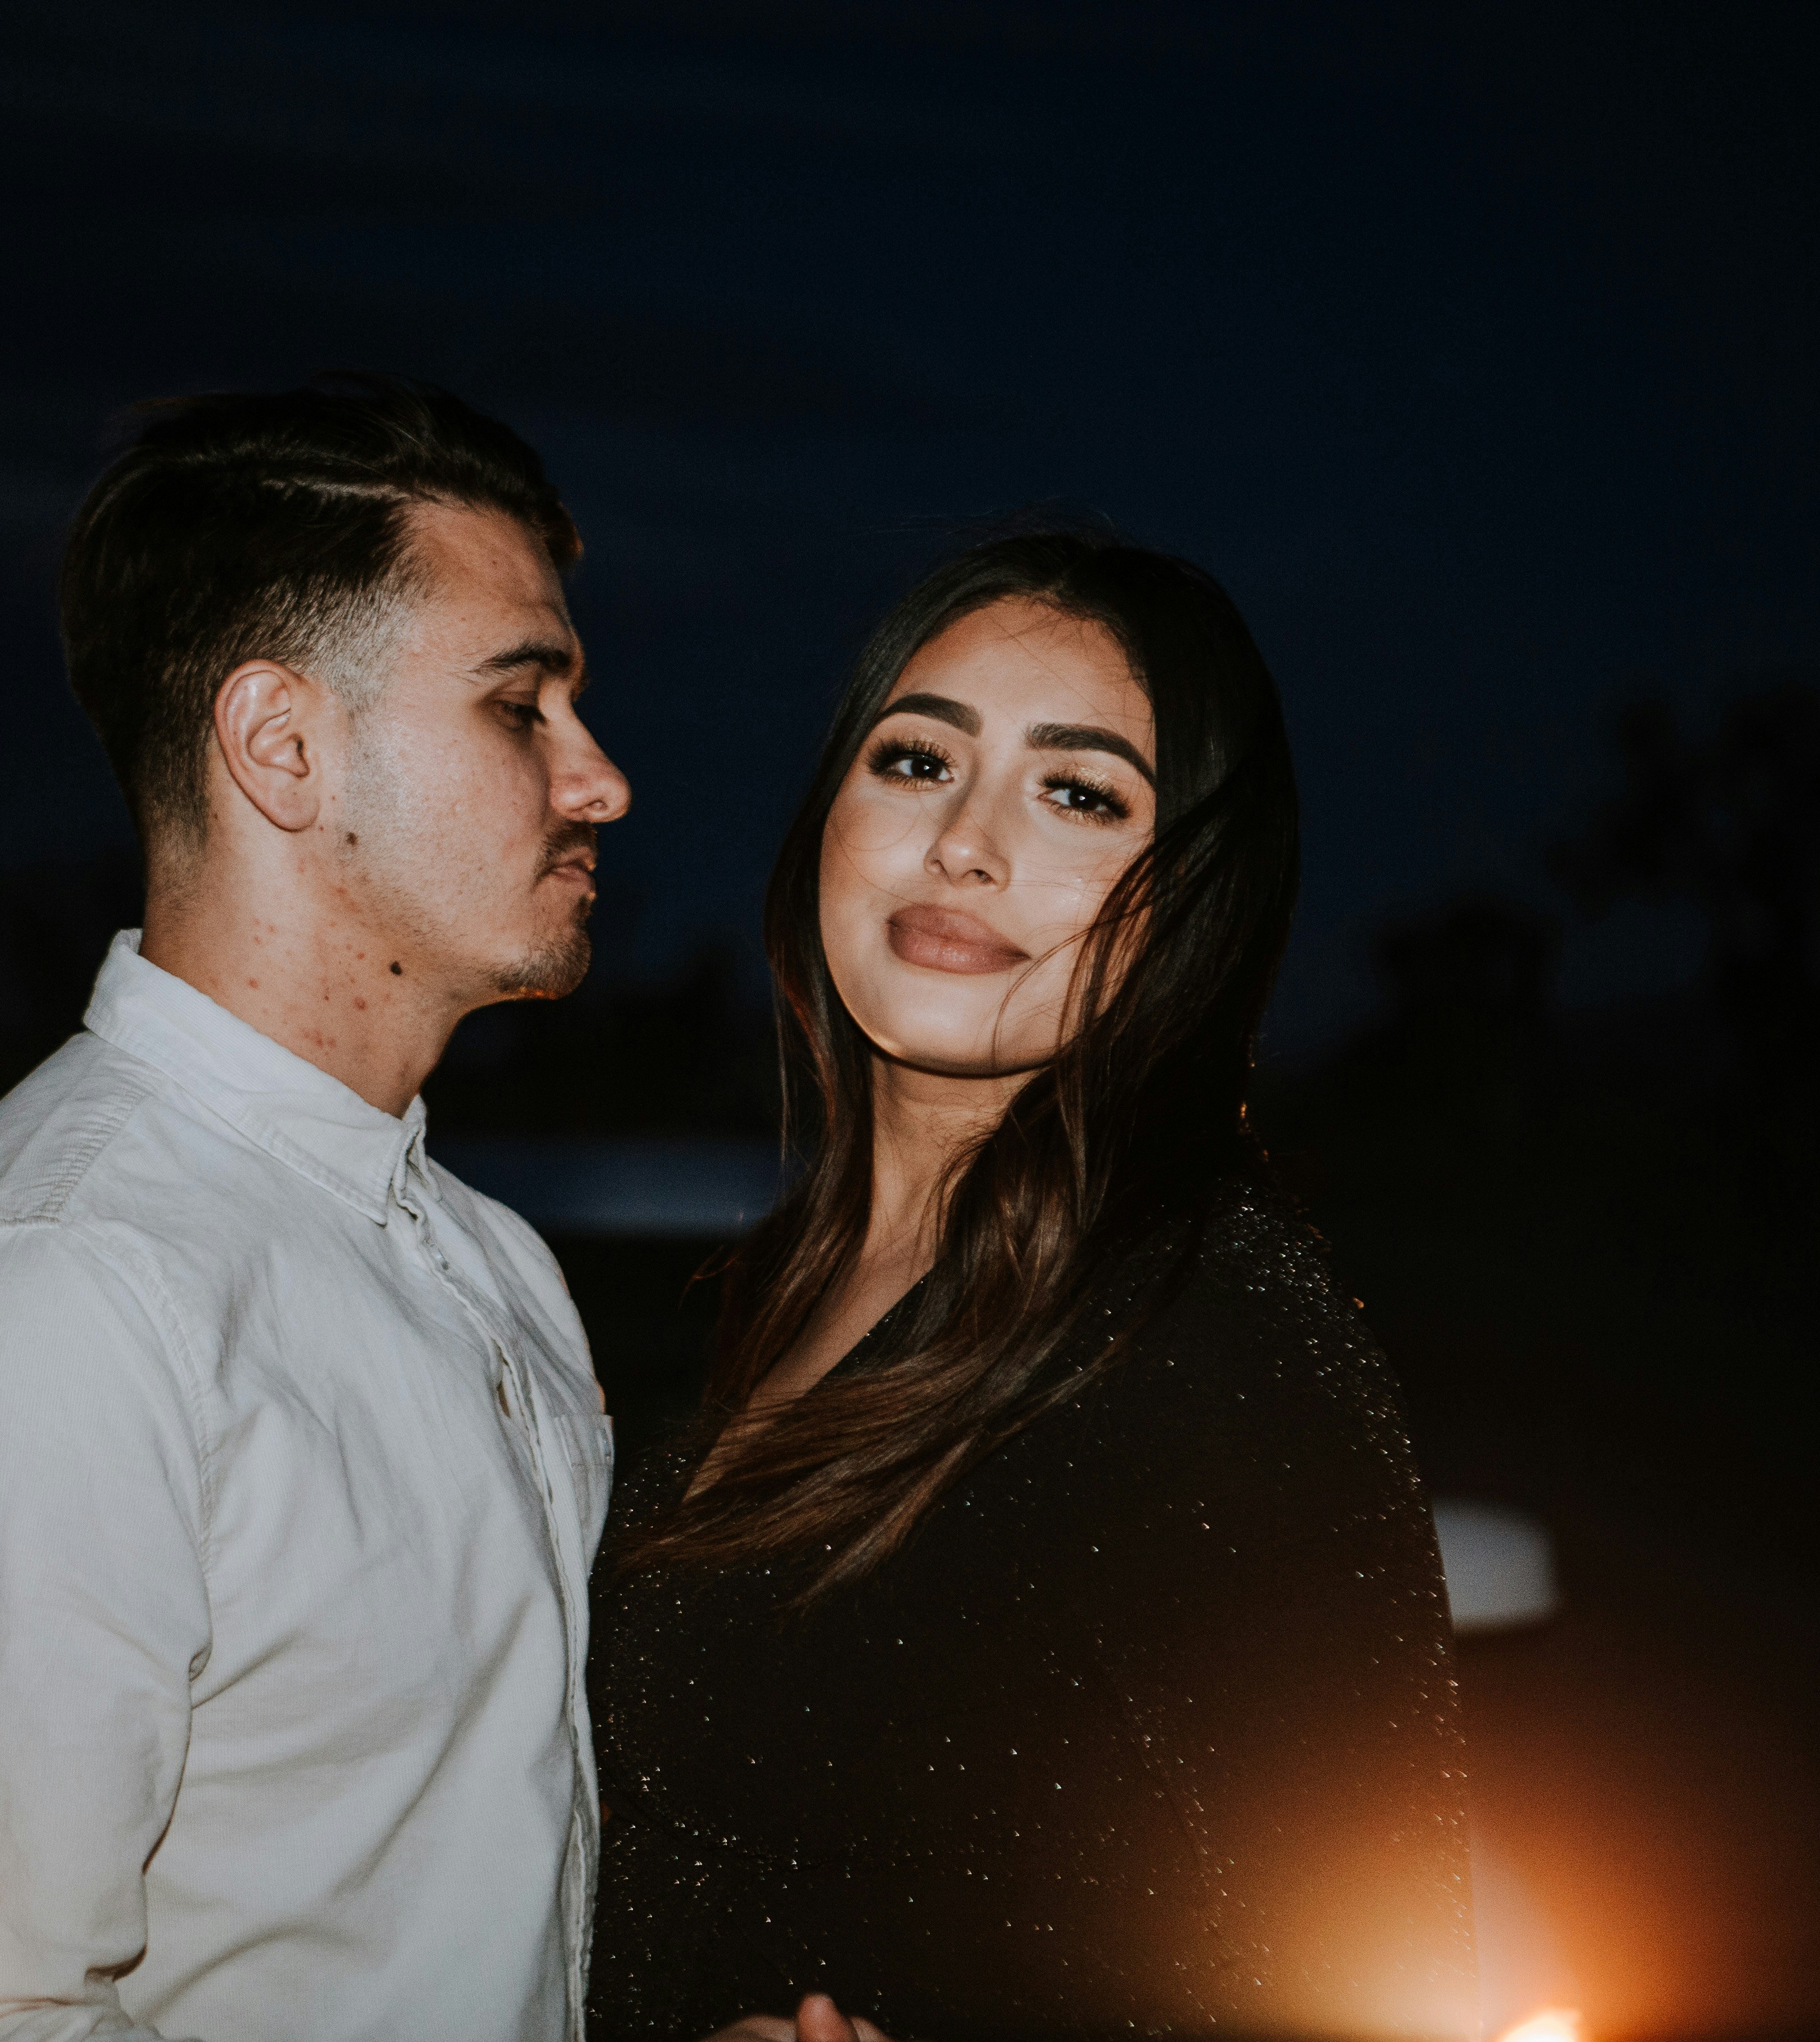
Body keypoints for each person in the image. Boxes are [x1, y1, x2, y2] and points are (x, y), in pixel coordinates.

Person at [0, 375, 640, 2042]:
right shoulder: (57, 1290)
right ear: (282, 746)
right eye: (522, 707)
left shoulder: (489, 1260)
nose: (597, 780)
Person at [588, 530, 1478, 2042]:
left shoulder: (1213, 1337)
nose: (965, 843)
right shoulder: (760, 1292)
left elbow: (1378, 1979)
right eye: (917, 761)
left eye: (1078, 793)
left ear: (1194, 899)